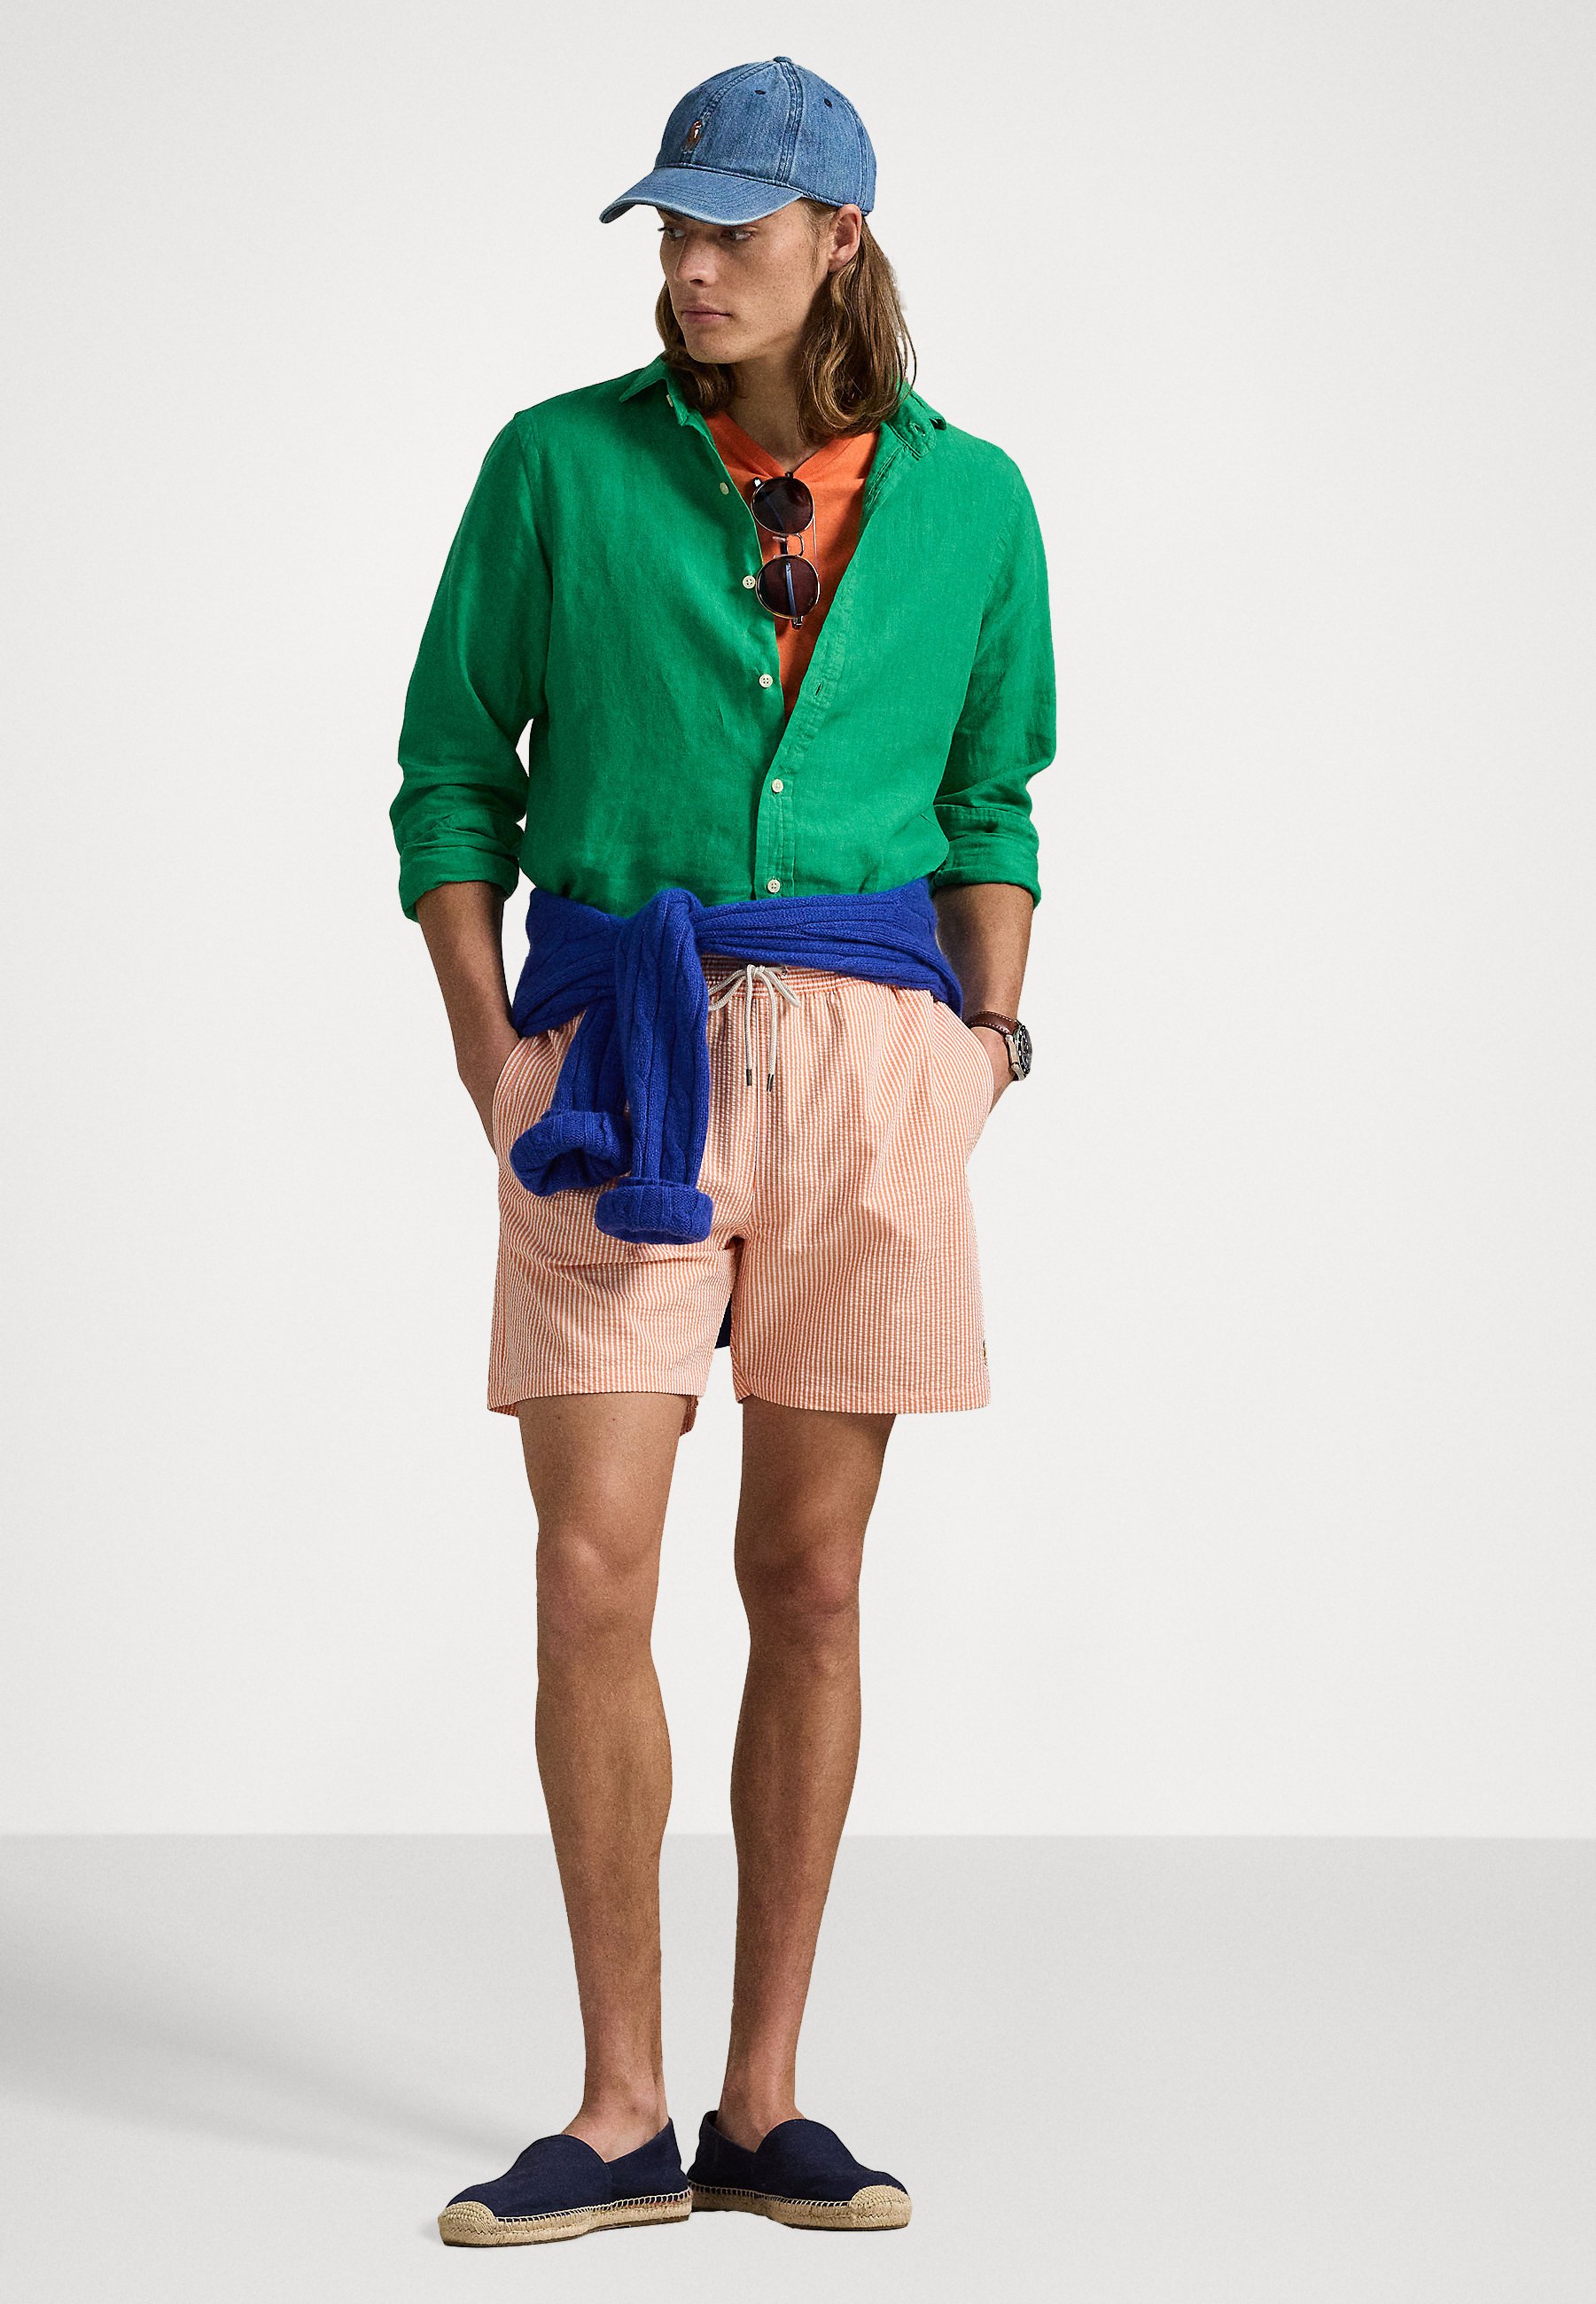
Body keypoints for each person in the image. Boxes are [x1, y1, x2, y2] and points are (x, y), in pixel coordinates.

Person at [390, 53, 1053, 2248]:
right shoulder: (556, 465)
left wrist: (979, 1049)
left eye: (731, 231)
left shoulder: (973, 502)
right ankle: (617, 2110)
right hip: (614, 1061)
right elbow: (448, 773)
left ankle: (763, 2101)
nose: (689, 268)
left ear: (837, 240)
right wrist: (488, 1049)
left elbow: (990, 799)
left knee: (814, 1577)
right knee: (592, 1565)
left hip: (876, 1070)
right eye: (670, 230)